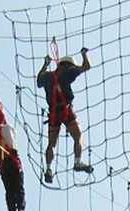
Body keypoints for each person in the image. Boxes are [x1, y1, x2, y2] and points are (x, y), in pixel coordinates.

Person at [37, 49, 93, 182]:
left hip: (54, 114)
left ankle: (48, 168)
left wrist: (45, 64)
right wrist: (84, 54)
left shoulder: (47, 76)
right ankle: (77, 162)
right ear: (68, 65)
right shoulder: (68, 72)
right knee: (78, 136)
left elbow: (38, 81)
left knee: (51, 143)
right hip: (66, 111)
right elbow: (87, 66)